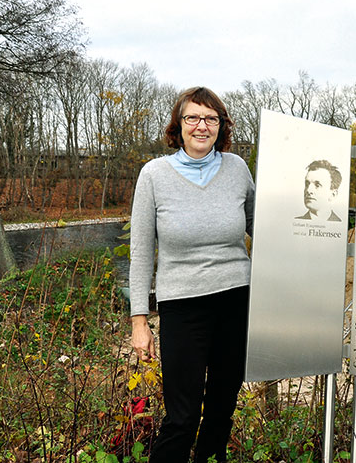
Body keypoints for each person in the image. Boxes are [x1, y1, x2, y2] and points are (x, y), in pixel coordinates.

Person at [129, 86, 255, 463]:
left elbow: (263, 228)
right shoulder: (153, 175)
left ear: (221, 125)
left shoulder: (237, 169)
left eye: (211, 118)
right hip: (182, 306)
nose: (202, 126)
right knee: (181, 416)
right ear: (178, 125)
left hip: (236, 300)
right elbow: (140, 254)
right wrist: (140, 320)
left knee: (221, 407)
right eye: (193, 118)